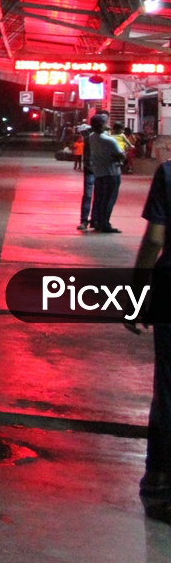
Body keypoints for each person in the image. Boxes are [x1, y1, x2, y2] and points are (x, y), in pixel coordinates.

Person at [126, 159, 171, 519]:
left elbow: (155, 238)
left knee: (168, 388)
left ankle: (161, 476)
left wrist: (136, 295)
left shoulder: (169, 173)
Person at [85, 111, 126, 233]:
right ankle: (105, 224)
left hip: (99, 173)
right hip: (111, 173)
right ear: (102, 125)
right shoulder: (109, 140)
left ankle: (98, 222)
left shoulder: (92, 137)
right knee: (109, 200)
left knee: (100, 199)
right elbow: (121, 156)